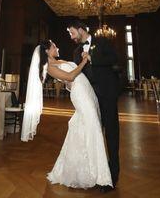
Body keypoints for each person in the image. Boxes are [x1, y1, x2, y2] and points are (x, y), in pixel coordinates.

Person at [21, 39, 112, 189]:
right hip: (81, 96)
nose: (57, 47)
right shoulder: (49, 67)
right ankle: (99, 173)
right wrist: (84, 61)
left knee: (86, 127)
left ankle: (88, 168)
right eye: (54, 46)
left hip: (86, 91)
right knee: (93, 127)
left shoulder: (59, 61)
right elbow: (69, 77)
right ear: (47, 51)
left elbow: (69, 81)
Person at [68, 20, 120, 190]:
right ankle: (97, 173)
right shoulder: (76, 51)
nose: (71, 36)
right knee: (93, 136)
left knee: (111, 134)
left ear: (81, 29)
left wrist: (92, 57)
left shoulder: (102, 41)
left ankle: (112, 176)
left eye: (72, 32)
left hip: (108, 95)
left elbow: (115, 58)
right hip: (90, 99)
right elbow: (77, 73)